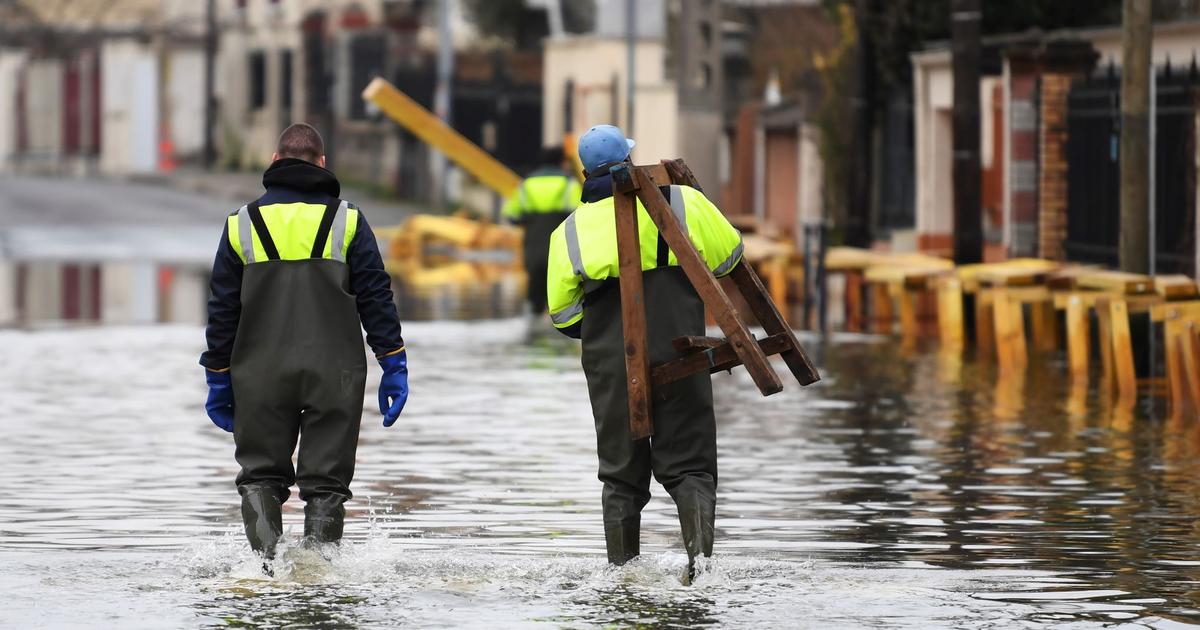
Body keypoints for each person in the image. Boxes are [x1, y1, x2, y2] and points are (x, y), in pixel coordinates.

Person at [200, 123, 409, 561]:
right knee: (327, 483)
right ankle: (318, 579)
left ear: (274, 162)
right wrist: (393, 361)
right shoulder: (347, 220)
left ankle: (266, 575)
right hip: (336, 374)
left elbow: (222, 308)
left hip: (258, 373)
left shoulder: (242, 223)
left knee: (260, 476)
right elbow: (376, 294)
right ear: (323, 163)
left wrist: (217, 375)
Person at [545, 124, 744, 578]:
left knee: (620, 476)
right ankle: (702, 570)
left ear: (585, 173)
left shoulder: (570, 232)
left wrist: (605, 332)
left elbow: (564, 317)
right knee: (691, 467)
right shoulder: (683, 202)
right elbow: (730, 259)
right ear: (630, 161)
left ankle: (622, 578)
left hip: (612, 363)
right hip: (683, 354)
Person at [502, 146, 582, 317]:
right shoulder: (568, 184)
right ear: (562, 162)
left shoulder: (527, 184)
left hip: (533, 244)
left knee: (535, 288)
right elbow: (579, 214)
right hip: (562, 244)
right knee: (561, 289)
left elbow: (511, 215)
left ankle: (534, 318)